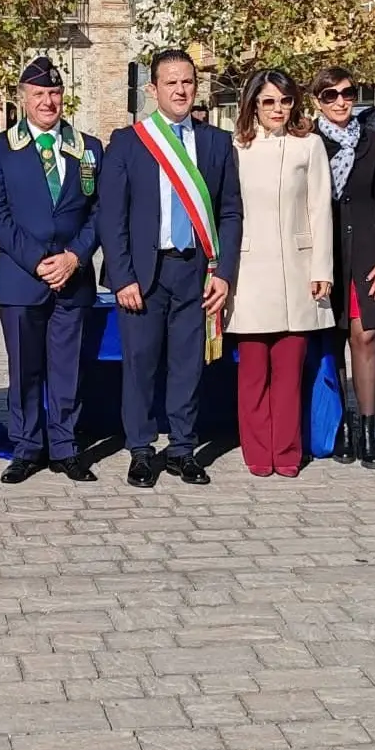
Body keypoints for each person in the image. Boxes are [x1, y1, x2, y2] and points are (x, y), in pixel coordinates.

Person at [98, 48, 243, 488]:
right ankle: (141, 449)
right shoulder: (129, 142)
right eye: (171, 82)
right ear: (152, 89)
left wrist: (224, 272)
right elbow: (111, 215)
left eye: (188, 82)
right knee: (139, 365)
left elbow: (231, 212)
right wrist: (121, 276)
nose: (181, 90)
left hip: (195, 271)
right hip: (144, 274)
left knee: (188, 365)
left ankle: (182, 448)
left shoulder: (216, 143)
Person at [0, 56, 103, 484]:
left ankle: (66, 447)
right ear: (22, 99)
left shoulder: (88, 147)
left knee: (68, 368)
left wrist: (74, 257)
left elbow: (99, 212)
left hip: (74, 275)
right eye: (38, 94)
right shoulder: (0, 149)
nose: (47, 102)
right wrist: (37, 260)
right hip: (20, 277)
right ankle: (27, 446)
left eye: (54, 93)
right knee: (25, 368)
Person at [226, 70, 333, 477]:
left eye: (284, 101)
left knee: (289, 372)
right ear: (253, 103)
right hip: (250, 271)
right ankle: (257, 450)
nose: (277, 109)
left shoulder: (309, 146)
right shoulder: (235, 147)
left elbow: (320, 209)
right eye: (269, 101)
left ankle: (288, 451)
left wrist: (323, 266)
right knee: (253, 373)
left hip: (297, 270)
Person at [312, 66, 375, 469]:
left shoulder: (371, 143)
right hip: (325, 257)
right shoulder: (309, 143)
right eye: (330, 95)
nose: (340, 102)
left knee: (365, 337)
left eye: (347, 93)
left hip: (368, 257)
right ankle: (342, 427)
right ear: (317, 101)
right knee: (331, 343)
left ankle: (370, 428)